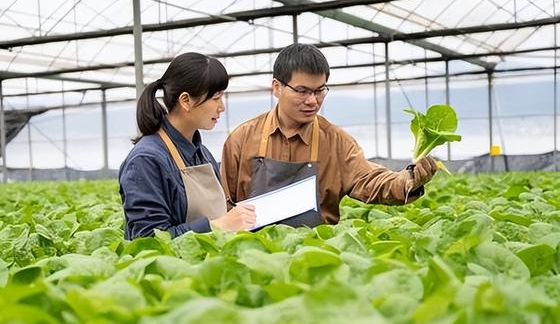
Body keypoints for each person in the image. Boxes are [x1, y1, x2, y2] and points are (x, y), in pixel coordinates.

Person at [221, 43, 438, 227]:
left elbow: (368, 180)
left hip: (317, 256)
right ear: (277, 88)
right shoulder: (242, 138)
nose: (312, 101)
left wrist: (409, 179)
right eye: (302, 91)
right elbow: (223, 203)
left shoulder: (335, 141)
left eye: (319, 91)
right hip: (253, 254)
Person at [119, 52, 256, 239]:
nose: (222, 107)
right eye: (216, 98)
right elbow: (147, 240)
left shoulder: (202, 153)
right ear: (186, 101)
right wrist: (217, 226)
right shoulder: (146, 160)